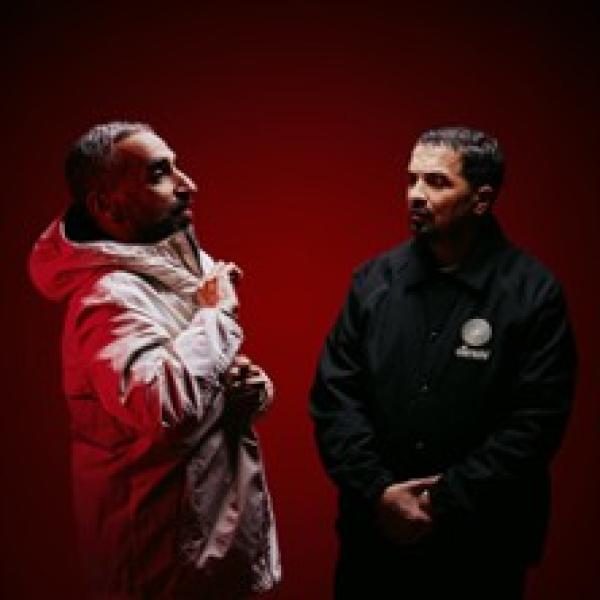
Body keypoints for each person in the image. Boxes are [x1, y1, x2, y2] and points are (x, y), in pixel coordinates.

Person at [310, 126, 577, 599]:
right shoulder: (373, 283)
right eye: (411, 179)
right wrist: (379, 493)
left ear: (481, 199)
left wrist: (442, 500)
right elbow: (335, 396)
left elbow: (535, 424)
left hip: (480, 547)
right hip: (375, 541)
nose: (415, 194)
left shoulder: (533, 294)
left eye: (436, 182)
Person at [29, 121, 281, 599]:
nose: (188, 184)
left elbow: (197, 386)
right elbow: (162, 408)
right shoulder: (108, 299)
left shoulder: (174, 273)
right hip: (158, 573)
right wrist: (218, 315)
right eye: (159, 174)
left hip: (210, 562)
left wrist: (246, 391)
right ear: (107, 206)